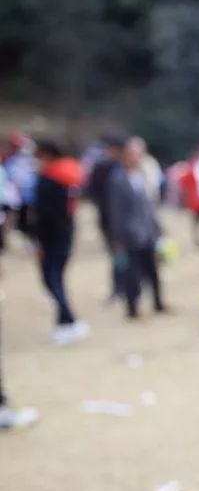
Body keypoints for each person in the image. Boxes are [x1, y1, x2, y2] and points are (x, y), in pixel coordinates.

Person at [32, 141, 89, 344]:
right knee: (56, 278)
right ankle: (64, 320)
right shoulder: (67, 175)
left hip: (50, 237)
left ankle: (68, 319)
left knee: (51, 278)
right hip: (66, 233)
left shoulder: (48, 179)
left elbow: (43, 214)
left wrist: (37, 240)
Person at [107, 139, 166, 319]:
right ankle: (132, 308)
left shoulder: (143, 175)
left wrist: (157, 226)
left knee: (153, 270)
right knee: (132, 273)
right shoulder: (118, 179)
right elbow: (115, 211)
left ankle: (158, 303)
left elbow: (149, 205)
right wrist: (118, 238)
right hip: (129, 235)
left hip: (147, 231)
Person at [87, 135, 129, 302]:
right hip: (112, 219)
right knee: (119, 254)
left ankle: (125, 285)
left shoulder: (122, 166)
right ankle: (120, 287)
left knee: (124, 254)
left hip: (118, 218)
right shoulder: (107, 168)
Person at [3, 132, 37, 241]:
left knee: (27, 221)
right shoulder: (8, 159)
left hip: (28, 196)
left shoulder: (30, 158)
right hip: (12, 196)